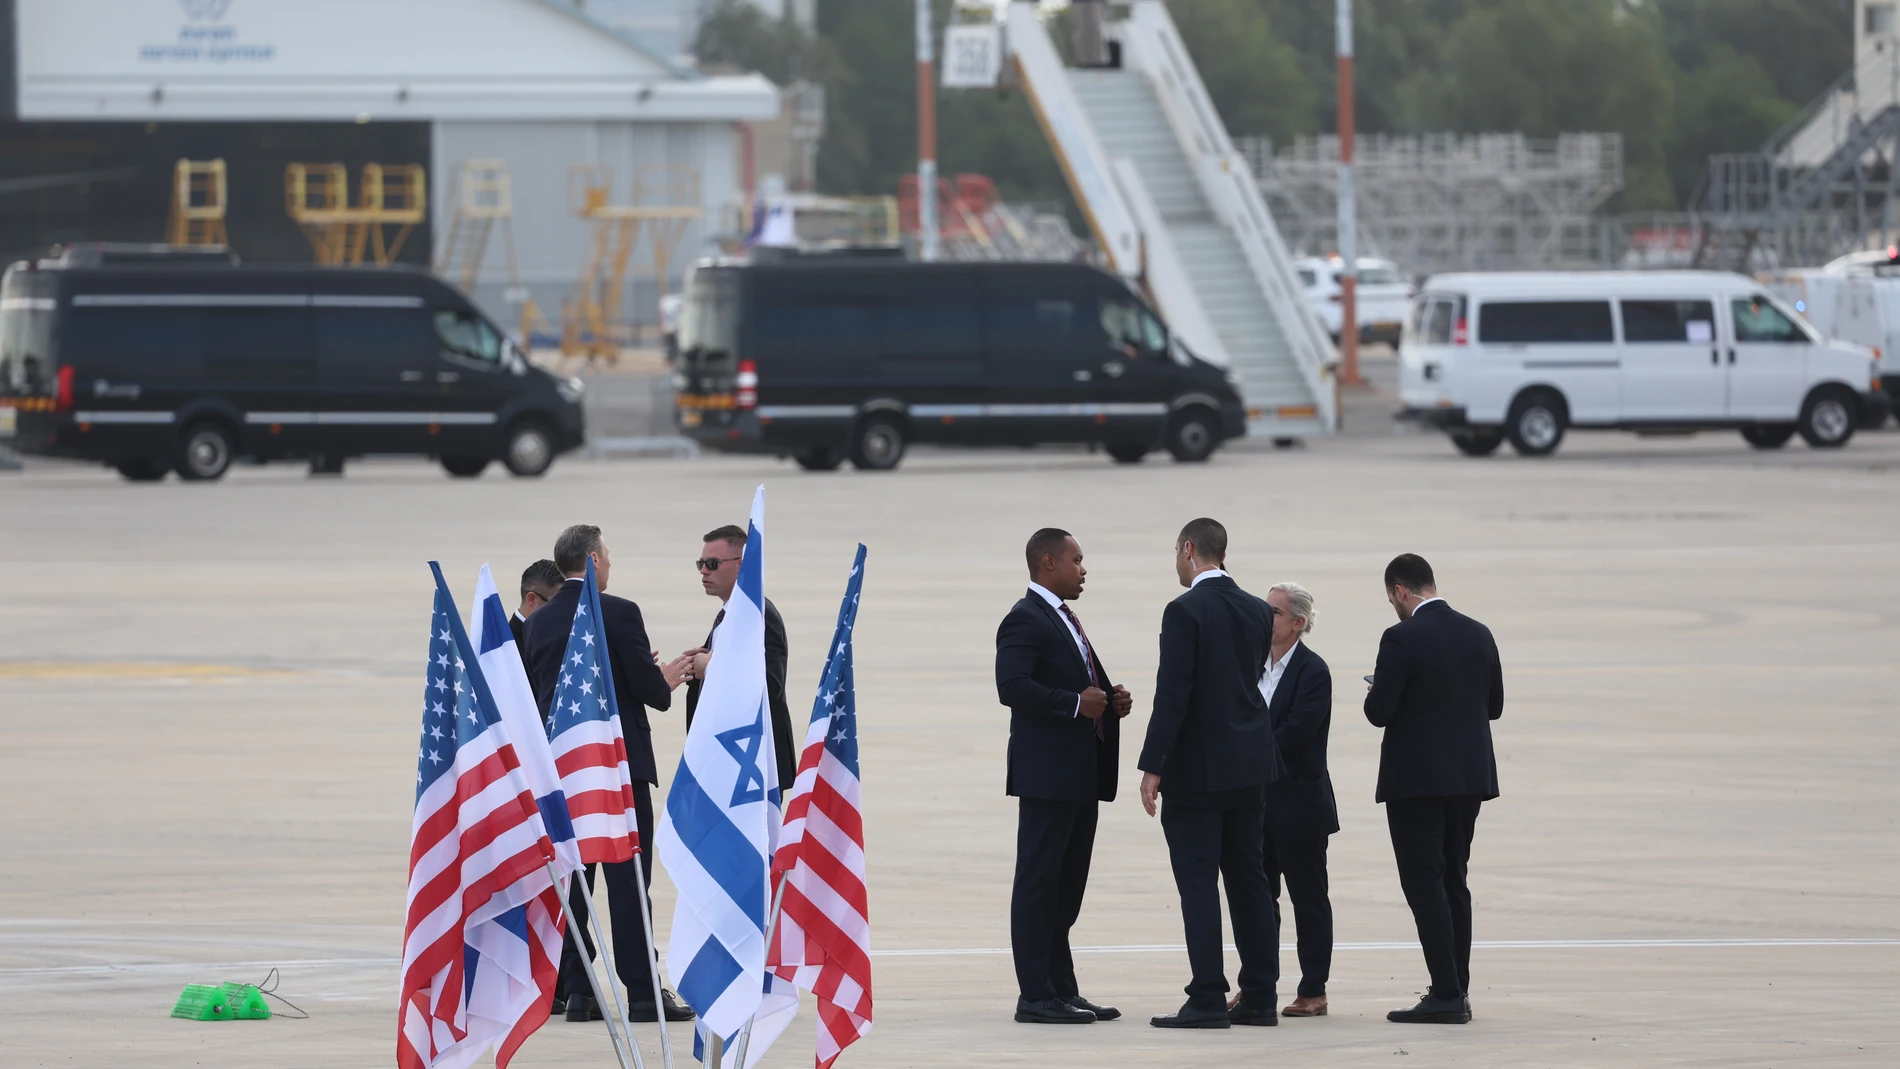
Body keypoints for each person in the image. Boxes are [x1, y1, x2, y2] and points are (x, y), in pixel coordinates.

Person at [524, 524, 697, 1024]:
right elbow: (650, 691)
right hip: (618, 771)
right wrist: (663, 679)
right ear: (594, 560)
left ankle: (578, 990)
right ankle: (642, 992)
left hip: (564, 771)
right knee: (628, 881)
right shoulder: (620, 612)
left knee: (574, 880)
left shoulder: (538, 623)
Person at [1137, 518, 1282, 1029]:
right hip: (1250, 765)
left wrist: (1153, 765)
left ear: (1189, 549)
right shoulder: (1258, 610)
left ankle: (1206, 998)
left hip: (1198, 771)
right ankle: (1260, 995)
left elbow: (1174, 695)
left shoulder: (1184, 611)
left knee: (1198, 883)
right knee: (1249, 880)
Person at [995, 528, 1131, 1026]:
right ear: (1048, 563)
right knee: (1039, 883)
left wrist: (1108, 702)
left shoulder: (1062, 617)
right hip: (1047, 777)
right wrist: (1075, 704)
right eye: (1077, 560)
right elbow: (1011, 686)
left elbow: (1077, 680)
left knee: (1066, 886)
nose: (1083, 569)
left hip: (1078, 775)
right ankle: (1035, 995)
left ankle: (1061, 989)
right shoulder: (1025, 617)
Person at [1364, 553, 1503, 1026]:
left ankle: (1445, 993)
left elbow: (1380, 712)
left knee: (1423, 884)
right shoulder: (1479, 632)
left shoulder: (1400, 637)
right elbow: (1494, 706)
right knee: (1454, 880)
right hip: (1469, 779)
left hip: (1416, 782)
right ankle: (1456, 988)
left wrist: (1377, 690)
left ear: (1400, 591)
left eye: (1392, 599)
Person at [1257, 582, 1336, 1019]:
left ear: (1297, 623)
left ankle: (1313, 989)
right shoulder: (1251, 663)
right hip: (1255, 804)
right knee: (1257, 899)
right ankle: (1257, 986)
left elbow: (1295, 732)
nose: (1263, 616)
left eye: (1273, 612)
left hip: (1299, 806)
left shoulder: (1313, 671)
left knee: (1308, 900)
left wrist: (1242, 749)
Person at [681, 525, 796, 788]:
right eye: (700, 563)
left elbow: (771, 683)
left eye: (712, 563)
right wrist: (698, 665)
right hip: (726, 757)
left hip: (750, 764)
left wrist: (712, 667)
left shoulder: (760, 616)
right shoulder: (729, 613)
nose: (703, 571)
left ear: (741, 565)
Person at [512, 559, 564, 669]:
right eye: (556, 604)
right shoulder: (505, 648)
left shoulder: (558, 637)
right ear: (532, 599)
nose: (563, 612)